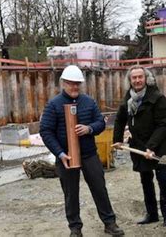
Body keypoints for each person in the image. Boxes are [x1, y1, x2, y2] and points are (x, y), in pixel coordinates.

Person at [40, 65, 124, 237]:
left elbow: (101, 123)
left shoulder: (88, 102)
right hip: (66, 156)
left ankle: (109, 223)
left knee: (99, 188)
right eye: (71, 83)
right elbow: (46, 131)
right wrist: (60, 153)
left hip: (89, 154)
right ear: (63, 83)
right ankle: (75, 229)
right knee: (71, 193)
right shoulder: (54, 105)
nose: (74, 87)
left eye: (77, 83)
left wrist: (89, 129)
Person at [112, 65, 166, 227]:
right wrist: (118, 139)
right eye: (134, 78)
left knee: (163, 180)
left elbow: (163, 124)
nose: (137, 80)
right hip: (139, 147)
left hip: (159, 147)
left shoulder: (157, 97)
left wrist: (152, 146)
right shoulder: (129, 98)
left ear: (146, 78)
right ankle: (152, 214)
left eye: (140, 77)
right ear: (130, 80)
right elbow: (120, 119)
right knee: (146, 181)